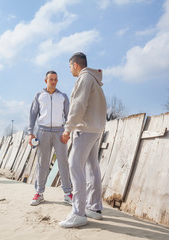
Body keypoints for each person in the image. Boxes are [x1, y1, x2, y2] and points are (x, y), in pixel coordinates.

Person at [59, 52, 107, 228]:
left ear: (75, 65)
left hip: (85, 129)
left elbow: (78, 105)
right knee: (91, 167)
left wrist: (67, 128)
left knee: (74, 165)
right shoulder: (94, 79)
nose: (70, 70)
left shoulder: (84, 78)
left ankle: (78, 212)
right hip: (95, 129)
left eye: (70, 67)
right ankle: (94, 207)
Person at [28, 70, 73, 206]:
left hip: (59, 132)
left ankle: (67, 194)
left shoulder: (63, 96)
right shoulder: (39, 95)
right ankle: (39, 193)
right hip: (43, 131)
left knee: (63, 162)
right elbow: (32, 114)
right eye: (51, 79)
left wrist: (67, 131)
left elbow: (68, 115)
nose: (53, 81)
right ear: (45, 80)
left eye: (55, 79)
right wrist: (31, 132)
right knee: (42, 163)